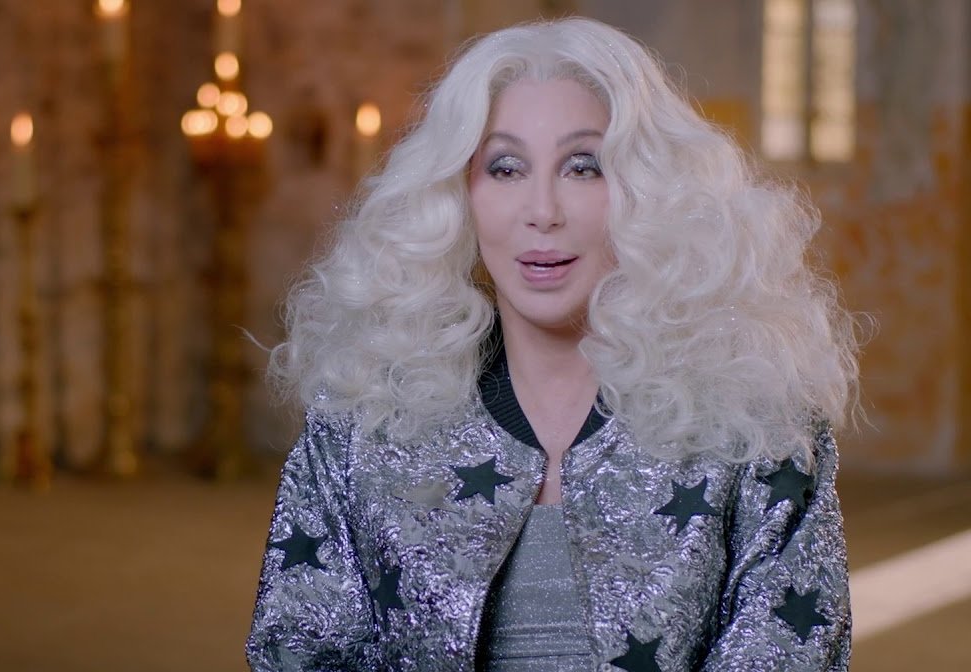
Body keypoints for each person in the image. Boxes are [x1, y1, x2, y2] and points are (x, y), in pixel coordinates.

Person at [246, 17, 861, 672]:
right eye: (506, 168)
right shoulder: (361, 424)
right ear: (457, 194)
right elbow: (298, 650)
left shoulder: (758, 432)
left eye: (583, 167)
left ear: (649, 191)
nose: (542, 211)